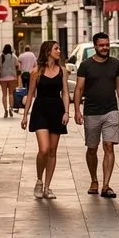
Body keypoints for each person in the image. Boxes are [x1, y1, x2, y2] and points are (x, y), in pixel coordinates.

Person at [72, 32, 119, 199]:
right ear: (95, 46)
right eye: (102, 45)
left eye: (107, 44)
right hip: (91, 111)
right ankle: (94, 180)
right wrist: (76, 110)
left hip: (111, 110)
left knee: (109, 146)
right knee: (92, 148)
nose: (105, 48)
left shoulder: (114, 64)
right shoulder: (86, 65)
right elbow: (79, 88)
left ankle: (106, 185)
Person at [21, 40, 70, 199]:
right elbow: (30, 94)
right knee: (44, 149)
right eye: (56, 48)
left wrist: (67, 112)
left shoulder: (62, 70)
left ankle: (48, 187)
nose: (59, 51)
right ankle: (39, 180)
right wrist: (24, 115)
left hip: (57, 111)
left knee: (52, 150)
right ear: (48, 51)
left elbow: (65, 93)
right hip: (40, 110)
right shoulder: (37, 71)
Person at [0, 44, 19, 117]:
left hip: (3, 77)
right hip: (12, 77)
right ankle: (11, 108)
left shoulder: (1, 56)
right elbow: (17, 66)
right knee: (11, 94)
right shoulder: (14, 56)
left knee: (4, 95)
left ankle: (5, 110)